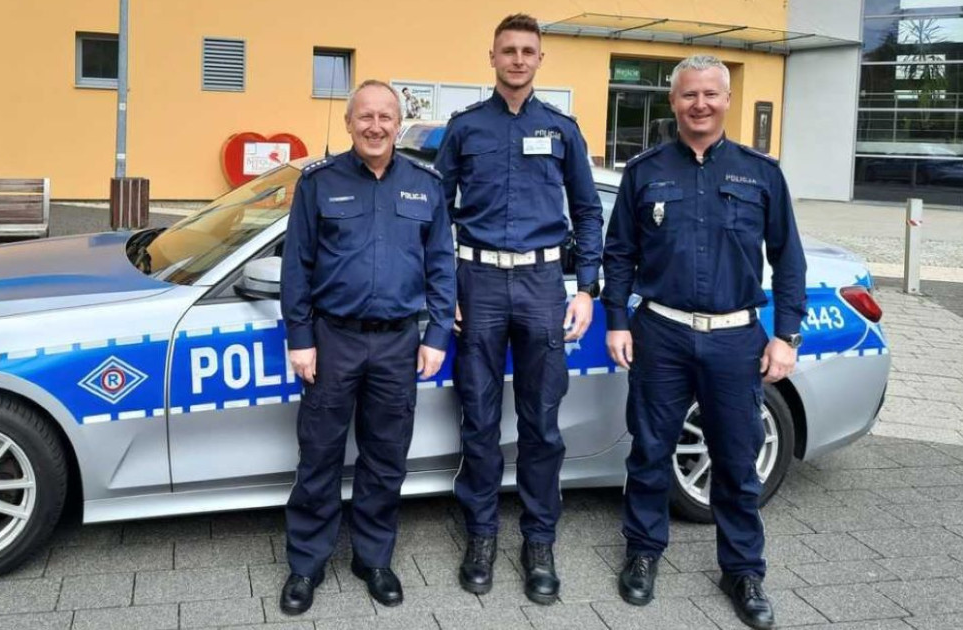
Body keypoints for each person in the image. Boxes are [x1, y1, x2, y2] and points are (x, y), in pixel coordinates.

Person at [601, 54, 807, 630]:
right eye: (689, 95)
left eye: (711, 95)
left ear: (727, 100)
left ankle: (742, 569)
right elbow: (618, 253)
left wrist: (785, 335)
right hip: (660, 332)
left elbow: (788, 259)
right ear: (674, 102)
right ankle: (643, 552)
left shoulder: (760, 173)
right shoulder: (645, 171)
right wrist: (617, 319)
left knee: (738, 462)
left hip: (735, 338)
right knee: (648, 453)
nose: (700, 104)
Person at [433, 13, 603, 605]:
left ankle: (538, 542)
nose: (518, 59)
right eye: (508, 50)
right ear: (493, 57)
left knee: (540, 424)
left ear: (539, 60)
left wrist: (585, 286)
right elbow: (436, 214)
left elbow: (587, 210)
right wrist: (446, 285)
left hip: (540, 285)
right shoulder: (464, 129)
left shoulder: (561, 130)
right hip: (476, 285)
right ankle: (481, 535)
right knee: (478, 420)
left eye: (528, 51)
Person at [278, 79, 456, 615]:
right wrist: (301, 338)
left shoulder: (426, 185)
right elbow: (296, 267)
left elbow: (442, 265)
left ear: (398, 124)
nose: (375, 126)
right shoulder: (319, 183)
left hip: (398, 343)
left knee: (385, 459)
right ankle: (306, 564)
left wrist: (438, 334)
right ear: (349, 123)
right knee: (319, 456)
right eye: (365, 117)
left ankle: (374, 558)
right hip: (333, 342)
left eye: (385, 116)